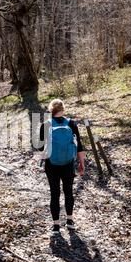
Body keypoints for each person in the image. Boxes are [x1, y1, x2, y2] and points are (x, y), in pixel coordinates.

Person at [39, 99, 86, 234]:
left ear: (50, 110)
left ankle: (56, 226)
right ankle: (70, 221)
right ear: (63, 109)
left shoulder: (46, 124)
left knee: (55, 193)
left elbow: (40, 147)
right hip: (68, 164)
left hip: (51, 164)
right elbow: (79, 146)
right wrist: (81, 163)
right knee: (68, 191)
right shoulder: (71, 124)